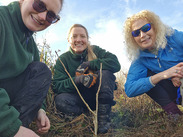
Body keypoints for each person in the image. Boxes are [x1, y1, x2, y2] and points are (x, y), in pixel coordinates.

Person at [0, 0, 64, 136]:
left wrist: (40, 110)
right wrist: (11, 128)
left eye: (51, 16)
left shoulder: (31, 47)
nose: (42, 17)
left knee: (41, 71)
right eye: (39, 5)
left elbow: (33, 84)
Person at [52, 24, 121, 133]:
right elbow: (57, 85)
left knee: (106, 73)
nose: (78, 40)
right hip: (77, 100)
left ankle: (103, 120)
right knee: (60, 100)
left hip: (98, 98)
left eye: (82, 36)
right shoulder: (63, 59)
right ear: (69, 40)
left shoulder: (95, 50)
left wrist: (91, 64)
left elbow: (115, 63)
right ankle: (86, 118)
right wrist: (78, 80)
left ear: (87, 39)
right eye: (74, 36)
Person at [124, 10, 183, 116]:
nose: (142, 35)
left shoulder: (174, 37)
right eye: (136, 33)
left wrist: (179, 72)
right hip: (173, 90)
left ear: (155, 27)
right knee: (146, 79)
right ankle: (174, 113)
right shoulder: (139, 59)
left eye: (146, 28)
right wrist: (164, 75)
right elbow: (130, 89)